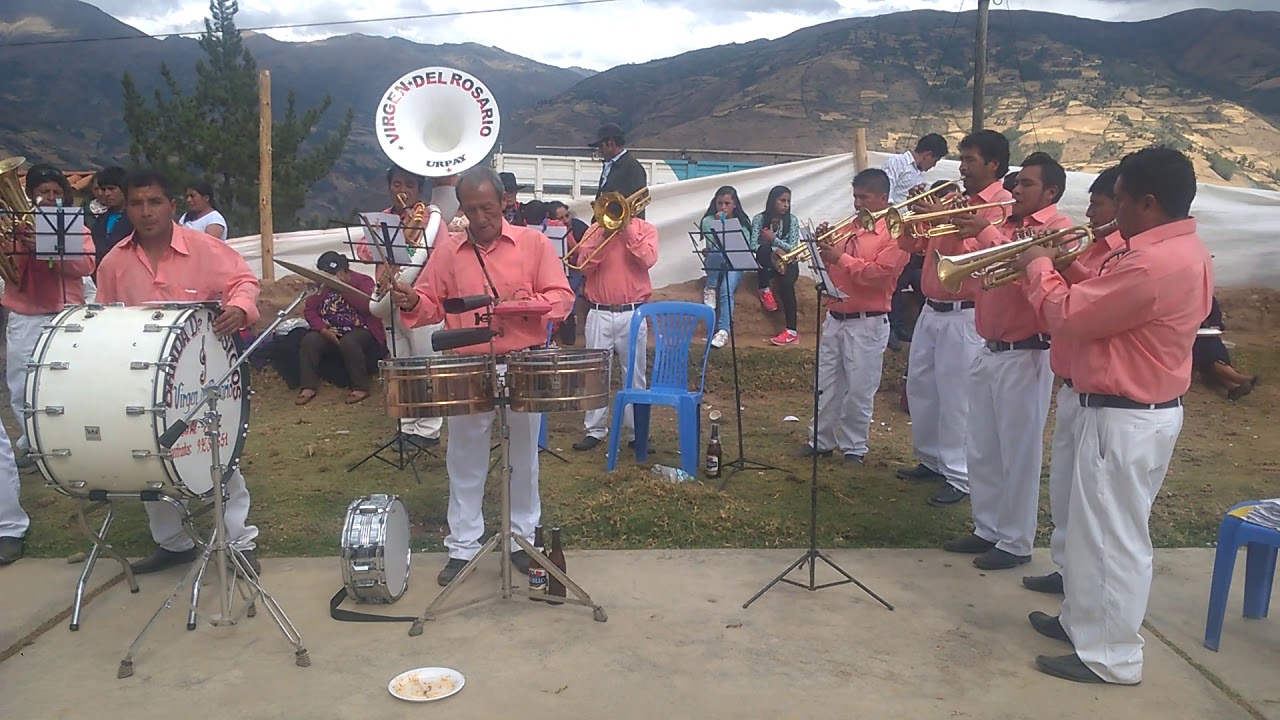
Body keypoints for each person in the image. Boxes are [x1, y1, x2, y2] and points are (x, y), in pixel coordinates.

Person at [1012, 146, 1212, 685]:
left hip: (1125, 416)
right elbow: (1113, 303)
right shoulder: (1178, 250)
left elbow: (1071, 315)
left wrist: (1037, 267)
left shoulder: (1151, 262)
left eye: (1118, 202)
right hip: (1132, 412)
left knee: (1113, 540)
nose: (1111, 214)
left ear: (1147, 202)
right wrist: (1067, 263)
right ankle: (1084, 623)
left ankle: (1112, 656)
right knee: (1091, 532)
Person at [389, 166, 574, 586]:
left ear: (504, 202)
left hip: (522, 361)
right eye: (471, 210)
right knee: (465, 459)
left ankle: (522, 540)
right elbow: (431, 306)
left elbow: (563, 297)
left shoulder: (534, 244)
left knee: (524, 458)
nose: (480, 218)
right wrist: (410, 298)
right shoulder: (450, 251)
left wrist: (531, 304)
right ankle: (463, 546)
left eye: (487, 208)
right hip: (469, 363)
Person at [96, 168, 262, 575]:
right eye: (137, 203)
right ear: (127, 207)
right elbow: (103, 318)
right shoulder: (114, 262)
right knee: (147, 457)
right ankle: (173, 543)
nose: (146, 211)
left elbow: (243, 280)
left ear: (172, 205)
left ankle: (239, 540)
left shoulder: (205, 248)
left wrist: (239, 307)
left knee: (217, 454)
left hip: (204, 373)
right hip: (140, 377)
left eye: (154, 202)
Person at [940, 152, 1072, 569]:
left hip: (1026, 352)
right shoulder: (1005, 225)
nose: (1016, 190)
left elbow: (1026, 264)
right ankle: (987, 527)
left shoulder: (1058, 229)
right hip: (989, 348)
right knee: (982, 445)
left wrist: (986, 235)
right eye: (1017, 184)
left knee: (1018, 451)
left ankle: (1015, 541)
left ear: (1050, 191)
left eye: (1027, 184)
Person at [1022, 165, 1127, 596]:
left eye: (1097, 204)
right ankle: (1066, 570)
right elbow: (1088, 292)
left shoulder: (1121, 254)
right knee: (1064, 491)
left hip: (1105, 397)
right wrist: (1060, 265)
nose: (1089, 212)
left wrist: (1044, 267)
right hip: (1071, 383)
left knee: (1094, 509)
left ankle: (1081, 586)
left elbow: (1085, 309)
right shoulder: (1094, 250)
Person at [897, 130, 1012, 506]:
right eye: (961, 160)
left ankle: (959, 475)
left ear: (994, 165)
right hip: (932, 308)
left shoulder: (1000, 206)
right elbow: (910, 246)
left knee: (957, 395)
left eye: (970, 161)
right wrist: (916, 217)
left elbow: (988, 253)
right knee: (922, 387)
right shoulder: (955, 199)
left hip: (964, 313)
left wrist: (943, 215)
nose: (961, 168)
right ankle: (931, 459)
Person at [802, 169, 908, 463]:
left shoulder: (895, 233)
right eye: (855, 197)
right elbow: (834, 270)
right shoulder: (849, 227)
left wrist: (840, 257)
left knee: (860, 388)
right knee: (826, 383)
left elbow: (878, 274)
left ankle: (854, 447)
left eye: (864, 197)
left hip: (868, 320)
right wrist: (822, 249)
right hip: (836, 315)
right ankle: (820, 439)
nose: (857, 203)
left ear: (883, 198)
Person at [5, 165, 97, 471]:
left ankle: (71, 441)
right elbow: (10, 270)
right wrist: (18, 243)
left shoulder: (76, 228)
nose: (51, 197)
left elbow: (85, 266)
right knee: (21, 385)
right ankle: (32, 444)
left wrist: (50, 251)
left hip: (65, 313)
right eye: (44, 192)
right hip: (25, 314)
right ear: (30, 195)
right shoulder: (15, 228)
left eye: (57, 192)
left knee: (67, 382)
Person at [357, 165, 447, 449]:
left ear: (419, 189)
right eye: (397, 184)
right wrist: (386, 241)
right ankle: (408, 425)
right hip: (388, 298)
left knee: (426, 365)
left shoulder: (432, 222)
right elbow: (362, 250)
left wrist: (414, 235)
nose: (402, 191)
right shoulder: (381, 219)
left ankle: (429, 430)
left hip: (422, 300)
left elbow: (442, 258)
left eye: (409, 185)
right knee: (401, 365)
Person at [567, 187, 659, 452]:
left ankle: (636, 433)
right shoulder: (595, 231)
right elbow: (583, 267)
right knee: (594, 374)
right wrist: (604, 235)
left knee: (635, 375)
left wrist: (627, 228)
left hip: (633, 312)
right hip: (599, 311)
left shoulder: (646, 229)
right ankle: (594, 430)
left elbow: (648, 260)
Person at [296, 252, 386, 405]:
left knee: (349, 341)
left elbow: (369, 307)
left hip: (361, 328)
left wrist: (343, 288)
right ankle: (308, 386)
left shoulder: (364, 281)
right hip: (332, 328)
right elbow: (310, 310)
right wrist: (323, 329)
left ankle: (360, 387)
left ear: (345, 270)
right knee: (310, 340)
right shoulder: (321, 287)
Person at [699, 185, 753, 349]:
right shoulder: (708, 221)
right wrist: (718, 225)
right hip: (716, 262)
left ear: (735, 204)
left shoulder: (743, 223)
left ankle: (723, 331)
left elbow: (742, 249)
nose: (723, 207)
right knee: (717, 251)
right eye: (719, 203)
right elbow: (712, 248)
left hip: (734, 264)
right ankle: (710, 286)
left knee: (726, 290)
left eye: (727, 203)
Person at [750, 186, 802, 345]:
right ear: (772, 201)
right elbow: (753, 246)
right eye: (782, 200)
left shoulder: (792, 220)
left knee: (787, 285)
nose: (786, 205)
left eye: (788, 201)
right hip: (767, 263)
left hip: (788, 262)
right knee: (763, 250)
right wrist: (774, 249)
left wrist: (774, 241)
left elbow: (793, 248)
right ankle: (764, 289)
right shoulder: (759, 219)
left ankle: (791, 331)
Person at [1193, 297, 1257, 400]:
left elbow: (1216, 317)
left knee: (1211, 345)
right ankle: (1237, 378)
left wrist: (1215, 326)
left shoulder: (1207, 298)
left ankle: (1233, 387)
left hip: (1204, 336)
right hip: (1186, 338)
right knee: (1206, 348)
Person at [549, 200, 590, 345]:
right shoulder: (548, 230)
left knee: (572, 283)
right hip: (556, 268)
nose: (566, 220)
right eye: (561, 218)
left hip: (576, 268)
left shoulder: (578, 226)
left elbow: (583, 255)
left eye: (567, 216)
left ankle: (568, 318)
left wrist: (568, 236)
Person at [590, 123, 647, 206]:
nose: (600, 150)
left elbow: (637, 204)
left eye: (601, 146)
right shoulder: (610, 164)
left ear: (610, 143)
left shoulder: (633, 167)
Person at [881, 133, 949, 204]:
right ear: (928, 155)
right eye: (935, 161)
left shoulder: (919, 175)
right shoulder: (897, 162)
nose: (934, 165)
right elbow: (885, 192)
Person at [89, 166, 132, 274]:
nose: (106, 194)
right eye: (104, 189)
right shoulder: (101, 220)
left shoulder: (135, 218)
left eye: (112, 189)